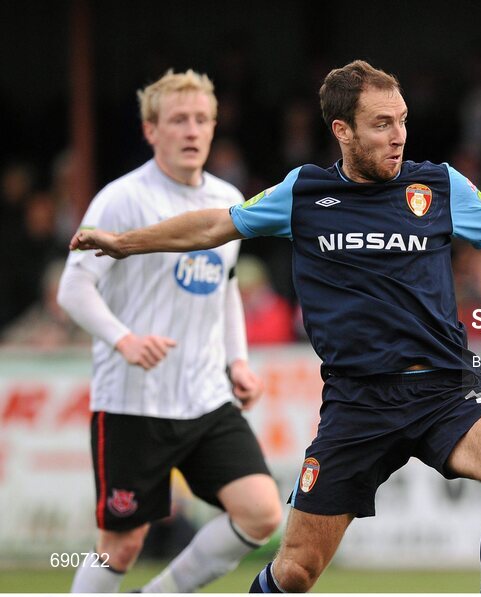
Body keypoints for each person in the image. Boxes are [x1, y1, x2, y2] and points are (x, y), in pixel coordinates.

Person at [70, 59, 481, 594]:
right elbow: (212, 228)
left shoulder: (439, 186)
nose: (398, 136)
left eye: (402, 121)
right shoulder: (303, 192)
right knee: (296, 571)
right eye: (380, 124)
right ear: (342, 132)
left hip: (442, 388)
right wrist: (125, 244)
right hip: (357, 404)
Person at [57, 69, 282, 593]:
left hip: (205, 398)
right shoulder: (122, 198)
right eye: (178, 119)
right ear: (150, 130)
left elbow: (224, 284)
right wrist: (124, 340)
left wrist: (238, 361)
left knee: (261, 512)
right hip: (134, 402)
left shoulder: (227, 198)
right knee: (122, 545)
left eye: (202, 119)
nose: (191, 130)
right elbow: (74, 287)